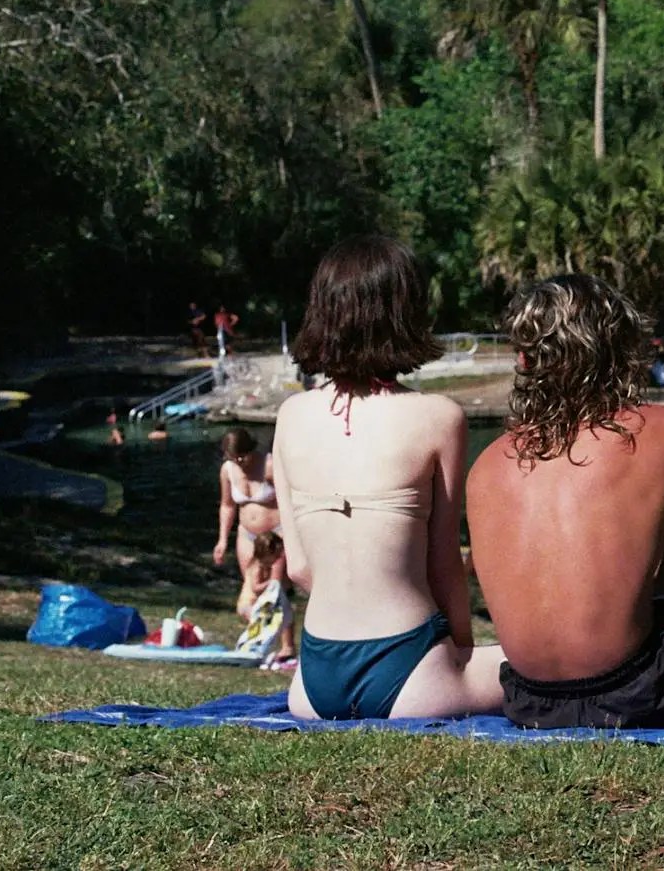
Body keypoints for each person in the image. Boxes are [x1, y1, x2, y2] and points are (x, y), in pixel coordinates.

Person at [468, 272, 664, 729]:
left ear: (525, 360)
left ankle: (660, 643)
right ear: (623, 350)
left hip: (528, 700)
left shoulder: (488, 462)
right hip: (637, 694)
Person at [274, 235, 506, 721]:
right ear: (406, 313)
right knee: (536, 667)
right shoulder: (438, 416)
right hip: (413, 670)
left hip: (312, 683)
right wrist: (459, 653)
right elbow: (444, 564)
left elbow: (298, 567)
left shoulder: (290, 415)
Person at [213, 427, 281, 581]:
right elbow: (227, 505)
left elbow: (289, 501)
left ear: (250, 449)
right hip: (247, 534)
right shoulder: (227, 470)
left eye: (243, 456)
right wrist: (222, 539)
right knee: (251, 586)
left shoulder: (269, 465)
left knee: (275, 588)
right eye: (233, 458)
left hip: (276, 533)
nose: (239, 461)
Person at [239, 530, 298, 663]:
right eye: (276, 555)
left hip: (258, 605)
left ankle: (281, 648)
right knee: (265, 628)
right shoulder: (256, 566)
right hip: (248, 605)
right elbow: (255, 588)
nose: (278, 558)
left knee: (286, 614)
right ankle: (253, 650)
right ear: (266, 553)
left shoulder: (265, 565)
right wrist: (272, 583)